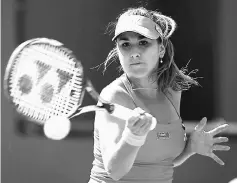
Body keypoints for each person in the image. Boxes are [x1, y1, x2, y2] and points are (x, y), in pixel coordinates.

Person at [88, 7, 230, 183]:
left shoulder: (172, 92)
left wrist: (190, 148)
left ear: (161, 49)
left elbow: (160, 162)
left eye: (143, 42)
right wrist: (133, 136)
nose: (134, 53)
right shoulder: (114, 96)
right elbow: (114, 171)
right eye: (125, 45)